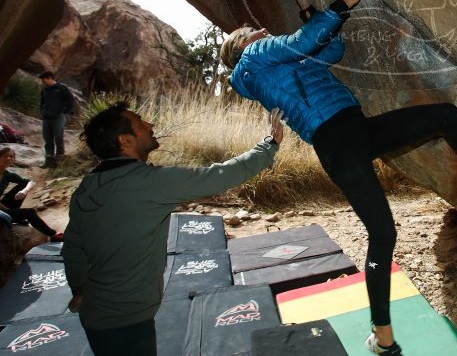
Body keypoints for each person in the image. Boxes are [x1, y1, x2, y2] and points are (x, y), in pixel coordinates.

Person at [219, 0, 457, 355]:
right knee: (383, 233)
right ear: (241, 45)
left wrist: (310, 10)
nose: (262, 30)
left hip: (354, 132)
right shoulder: (255, 56)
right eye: (252, 31)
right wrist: (342, 3)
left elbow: (331, 48)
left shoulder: (278, 64)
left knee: (442, 117)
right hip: (337, 140)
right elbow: (304, 41)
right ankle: (383, 337)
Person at [61, 102, 284, 356]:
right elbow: (219, 176)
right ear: (125, 140)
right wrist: (269, 144)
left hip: (96, 315)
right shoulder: (149, 183)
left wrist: (79, 289)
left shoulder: (87, 186)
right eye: (140, 122)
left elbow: (73, 248)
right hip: (127, 319)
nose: (150, 125)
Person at [0, 146, 64, 241]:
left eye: (11, 156)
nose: (9, 159)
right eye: (5, 156)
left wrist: (24, 191)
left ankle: (15, 217)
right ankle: (53, 234)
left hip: (2, 208)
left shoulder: (7, 175)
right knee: (30, 212)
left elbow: (31, 182)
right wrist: (7, 210)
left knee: (24, 185)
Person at [38, 71, 74, 168]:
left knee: (58, 138)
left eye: (44, 80)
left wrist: (64, 111)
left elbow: (70, 100)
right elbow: (42, 102)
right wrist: (42, 112)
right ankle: (49, 161)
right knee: (47, 140)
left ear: (50, 78)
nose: (42, 82)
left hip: (58, 117)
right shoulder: (45, 89)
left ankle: (59, 161)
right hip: (46, 118)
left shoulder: (62, 88)